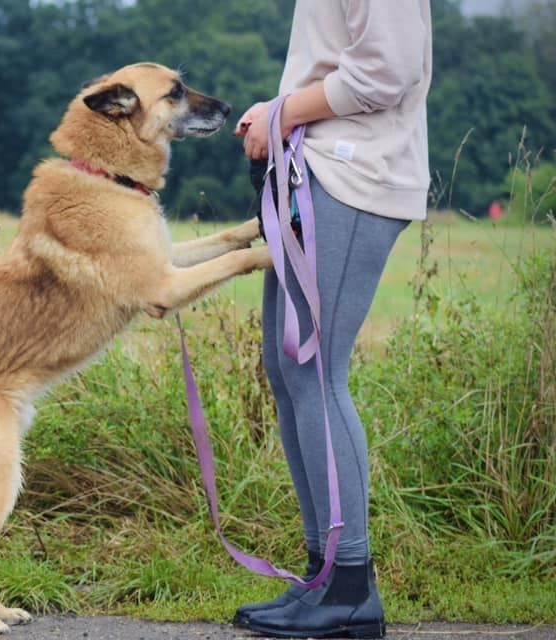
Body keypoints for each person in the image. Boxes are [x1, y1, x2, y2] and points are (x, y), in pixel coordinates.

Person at [232, 2, 432, 638]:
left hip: (356, 173)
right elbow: (335, 58)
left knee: (314, 368)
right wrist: (276, 110)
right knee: (289, 365)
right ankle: (324, 579)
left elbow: (385, 72)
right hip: (318, 169)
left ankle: (349, 587)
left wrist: (282, 111)